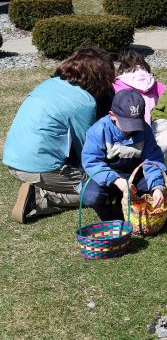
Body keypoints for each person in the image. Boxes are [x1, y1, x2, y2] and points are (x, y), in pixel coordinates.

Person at [3, 47, 115, 223]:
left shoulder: (49, 84)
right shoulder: (84, 102)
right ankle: (41, 198)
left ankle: (42, 187)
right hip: (39, 168)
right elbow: (88, 151)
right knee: (104, 190)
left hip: (13, 161)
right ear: (99, 77)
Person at [80, 89, 167, 221]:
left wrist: (157, 187)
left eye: (135, 124)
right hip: (110, 180)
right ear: (112, 115)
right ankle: (111, 214)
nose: (131, 129)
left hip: (135, 179)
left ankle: (139, 203)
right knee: (90, 195)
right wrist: (116, 180)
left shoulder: (145, 130)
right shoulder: (98, 131)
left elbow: (153, 160)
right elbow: (92, 163)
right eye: (127, 124)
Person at [113, 50, 166, 125]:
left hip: (127, 127)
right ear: (145, 66)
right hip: (154, 127)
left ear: (122, 68)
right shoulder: (159, 86)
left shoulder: (117, 85)